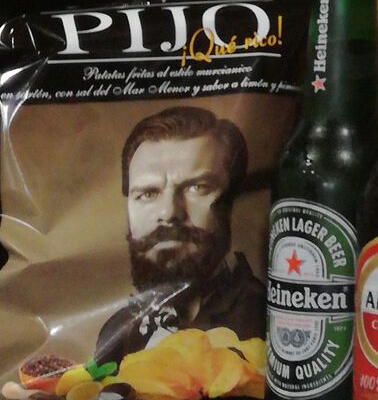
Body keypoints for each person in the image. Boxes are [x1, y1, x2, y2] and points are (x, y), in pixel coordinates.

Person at [95, 105, 264, 368]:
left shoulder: (262, 317)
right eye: (148, 193)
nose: (169, 212)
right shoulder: (117, 331)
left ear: (233, 201)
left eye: (197, 187)